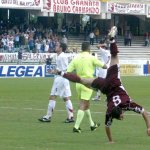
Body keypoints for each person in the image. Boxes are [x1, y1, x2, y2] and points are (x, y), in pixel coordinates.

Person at [55, 27, 150, 142]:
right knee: (81, 80)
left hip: (110, 81)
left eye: (121, 117)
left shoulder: (125, 106)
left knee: (114, 57)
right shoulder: (111, 111)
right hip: (106, 86)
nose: (123, 117)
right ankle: (60, 73)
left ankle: (112, 40)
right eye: (121, 117)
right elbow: (107, 126)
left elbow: (143, 113)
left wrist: (149, 127)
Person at [64, 41, 107, 133]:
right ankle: (76, 127)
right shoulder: (91, 58)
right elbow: (104, 66)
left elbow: (68, 71)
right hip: (88, 83)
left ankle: (92, 125)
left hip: (78, 83)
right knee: (83, 105)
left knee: (86, 104)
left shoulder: (76, 58)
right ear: (89, 48)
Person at [38, 42, 74, 123]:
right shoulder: (59, 56)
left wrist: (55, 72)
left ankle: (48, 116)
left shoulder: (62, 57)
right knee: (66, 98)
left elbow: (64, 69)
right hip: (63, 79)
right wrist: (53, 71)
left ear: (61, 48)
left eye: (57, 46)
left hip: (61, 79)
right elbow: (60, 69)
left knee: (52, 96)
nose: (55, 46)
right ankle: (70, 117)